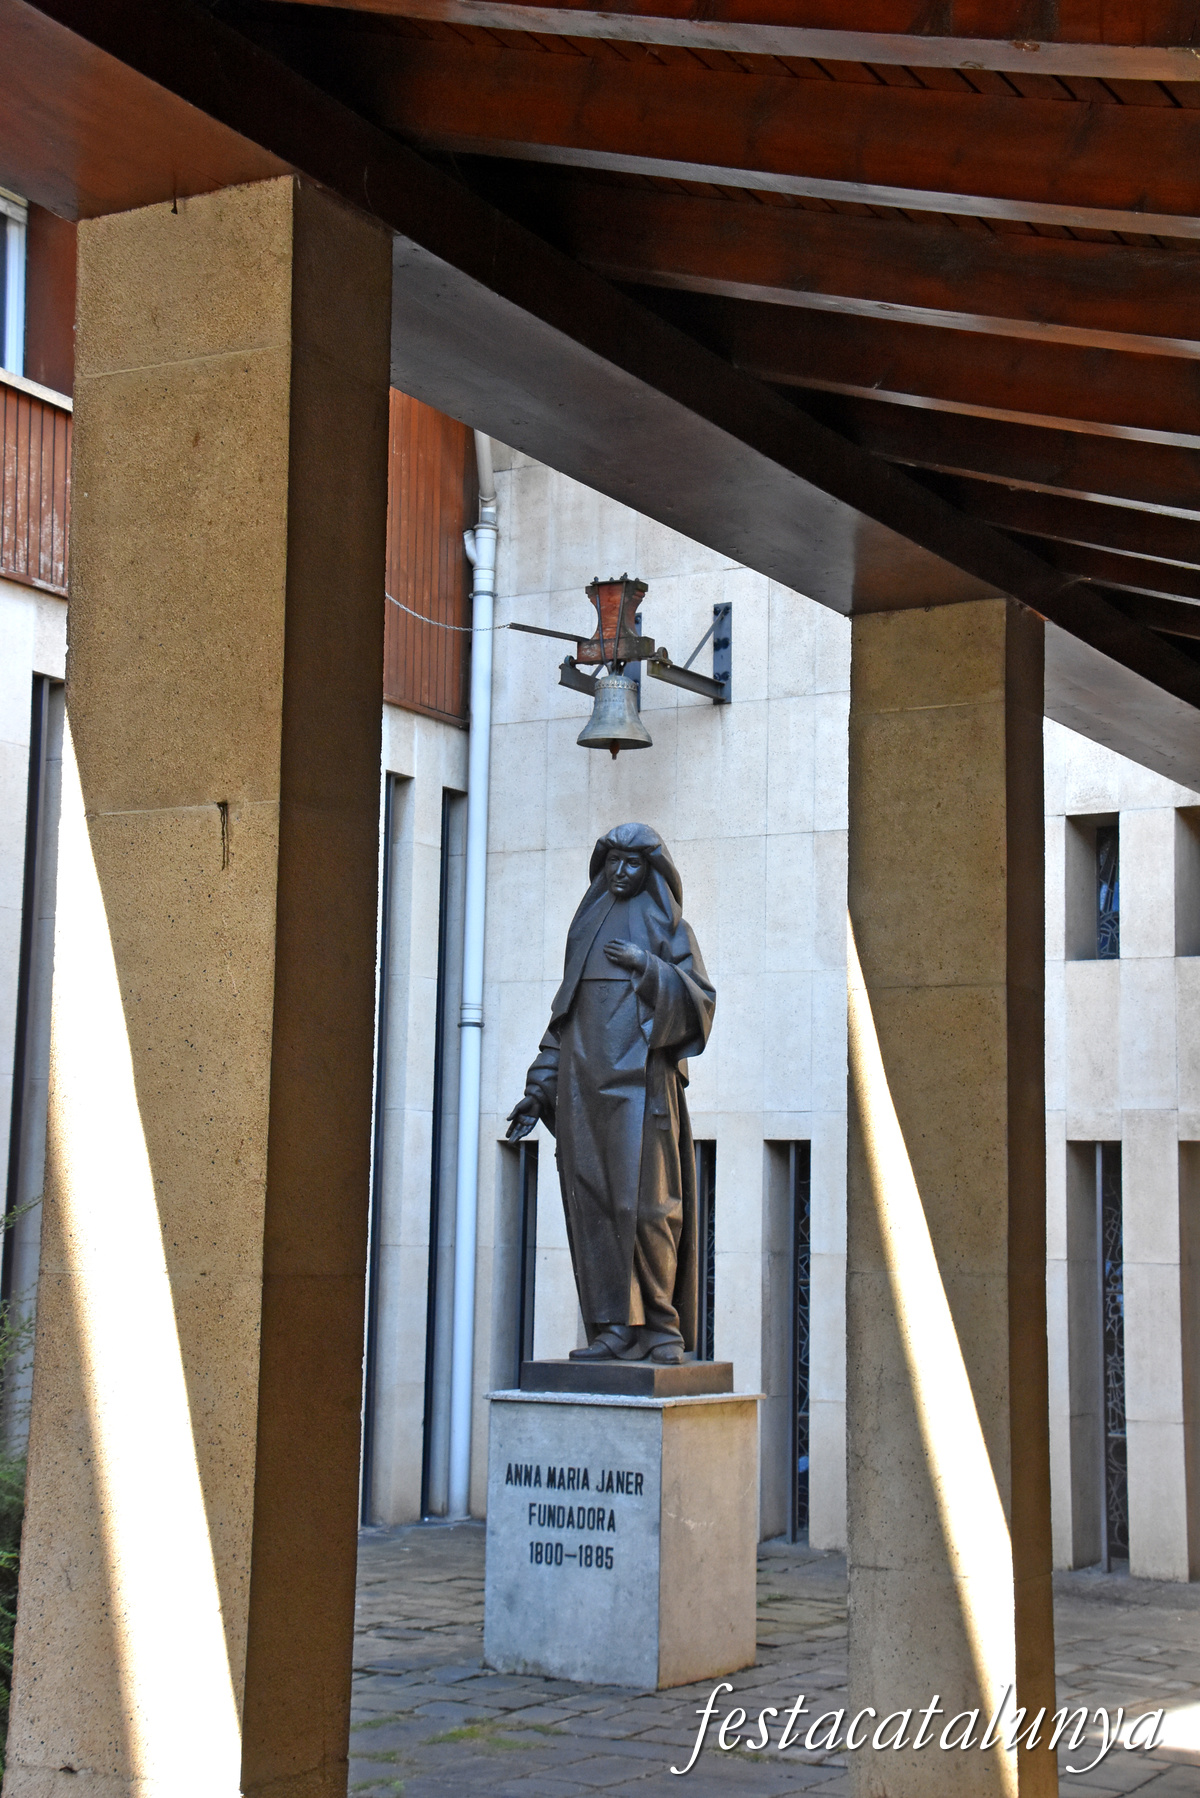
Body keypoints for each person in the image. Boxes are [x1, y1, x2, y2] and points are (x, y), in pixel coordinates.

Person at [506, 822, 715, 1364]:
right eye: (613, 862)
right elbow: (563, 1020)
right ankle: (614, 1326)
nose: (621, 873)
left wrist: (647, 967)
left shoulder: (671, 929)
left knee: (649, 1209)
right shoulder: (586, 929)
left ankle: (662, 1328)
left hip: (642, 1093)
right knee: (595, 1209)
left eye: (633, 863)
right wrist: (538, 1088)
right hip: (585, 1095)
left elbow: (700, 1002)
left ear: (652, 870)